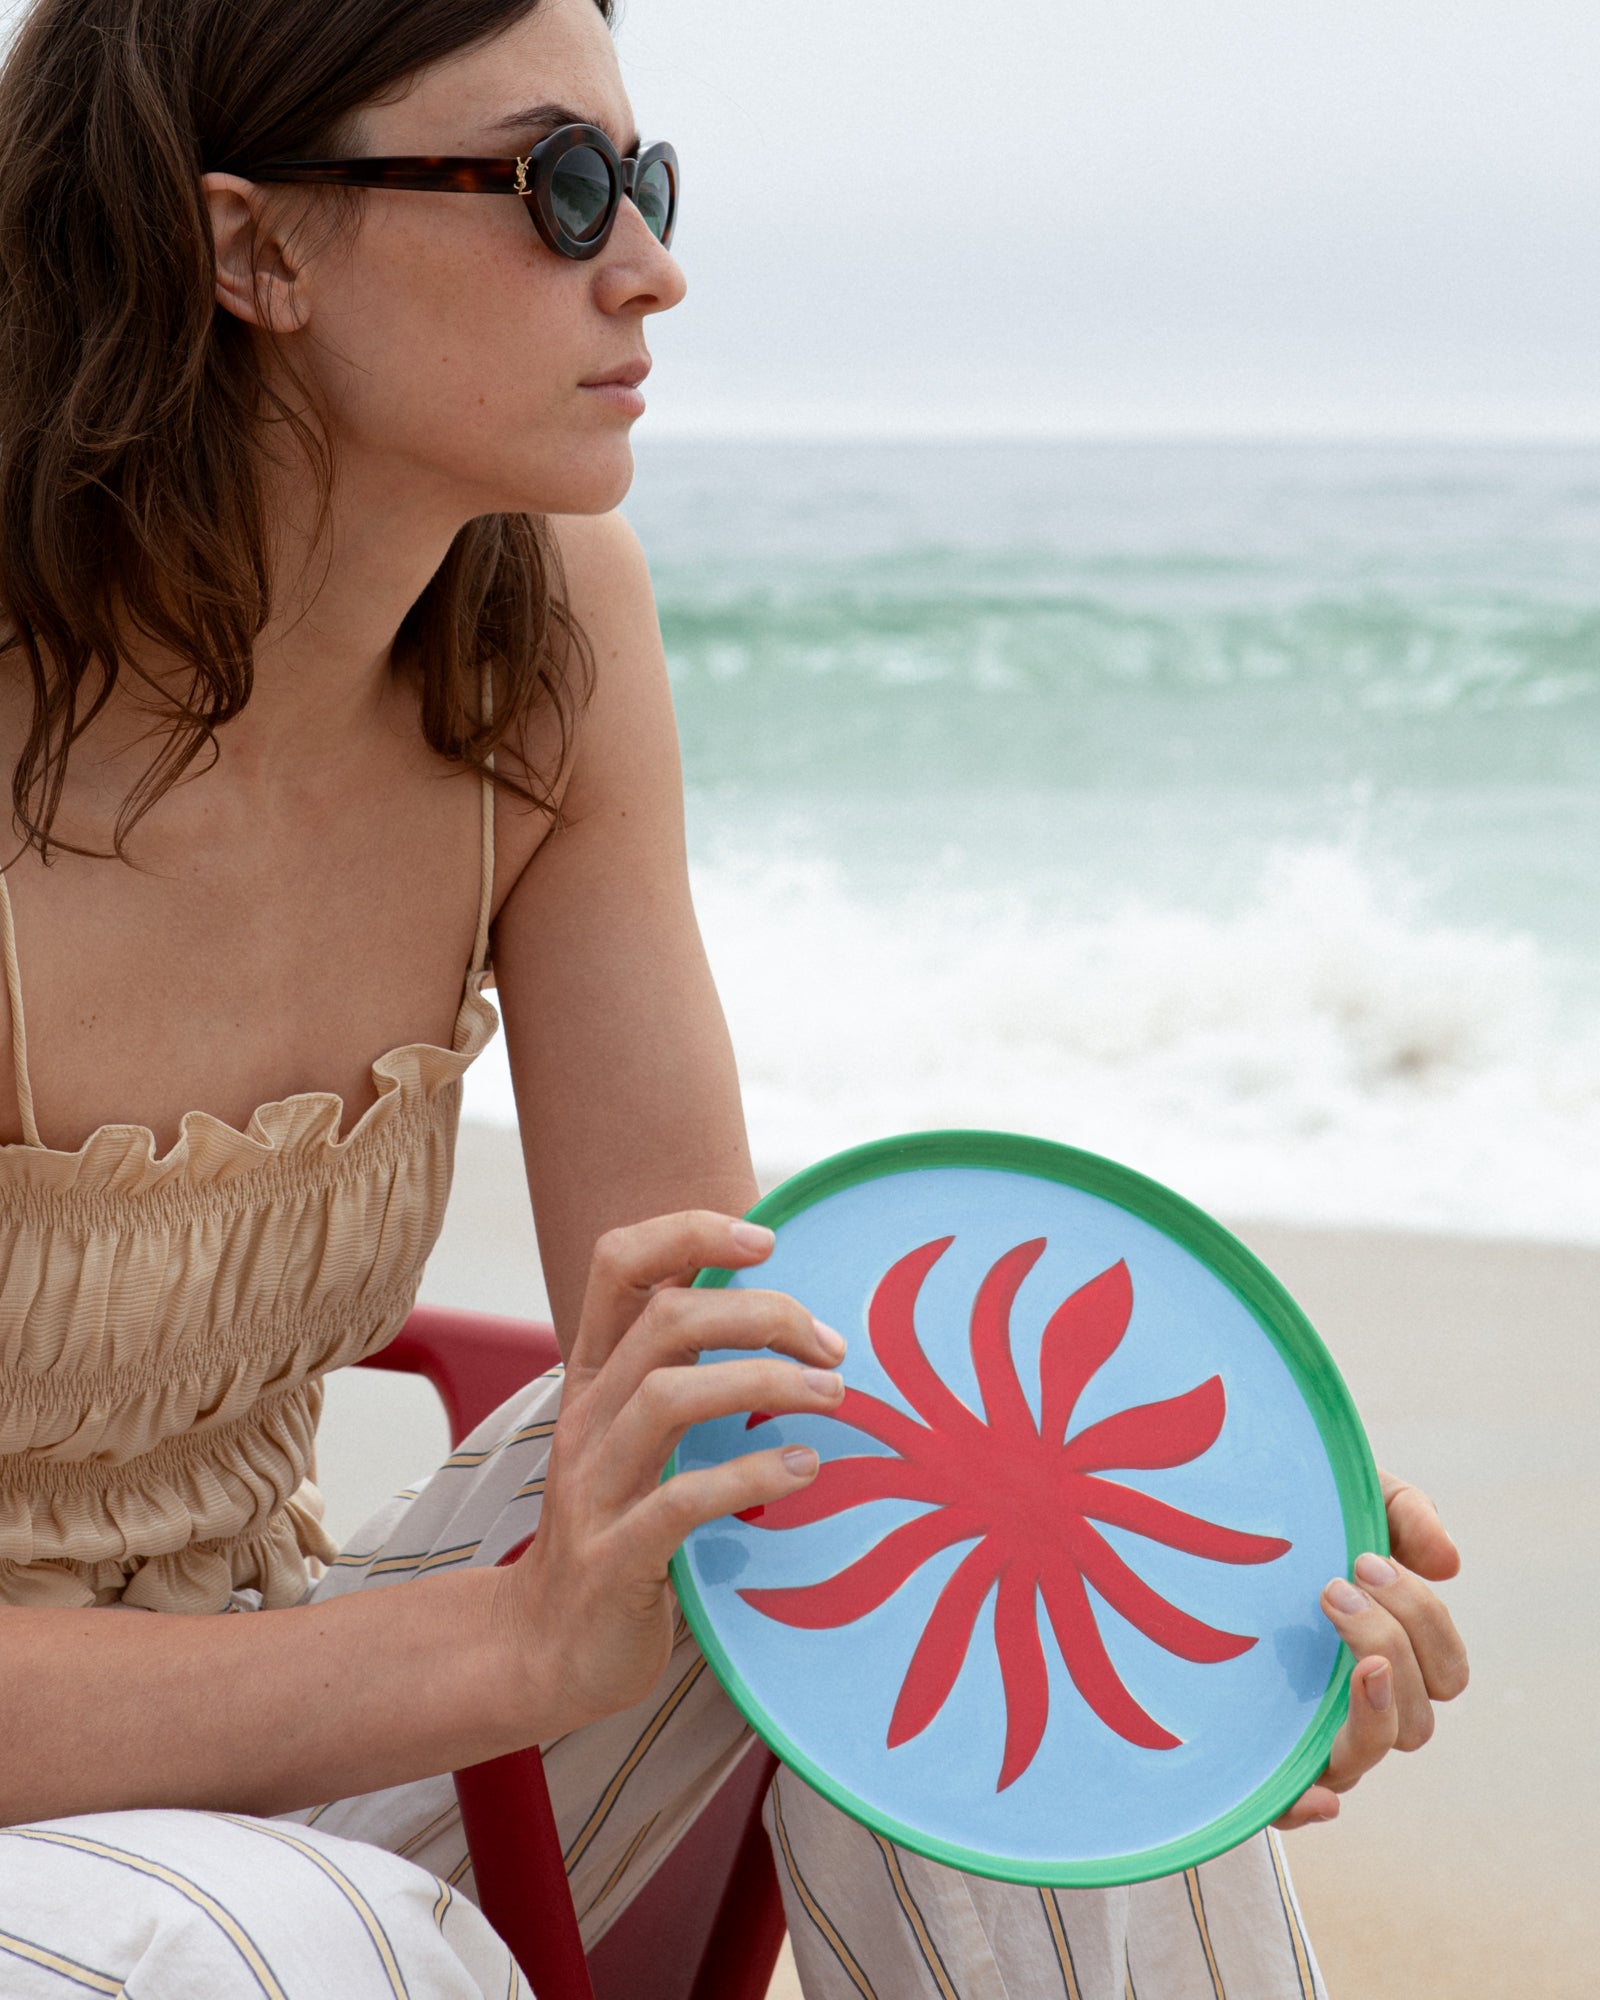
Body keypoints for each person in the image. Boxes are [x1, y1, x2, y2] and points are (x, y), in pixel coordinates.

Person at [0, 0, 1469, 1991]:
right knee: (321, 1941)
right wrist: (504, 1644)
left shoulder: (544, 639)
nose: (648, 267)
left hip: (274, 1708)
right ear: (251, 248)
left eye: (647, 181)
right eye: (557, 188)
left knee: (869, 1464)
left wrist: (1188, 1639)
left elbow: (707, 1345)